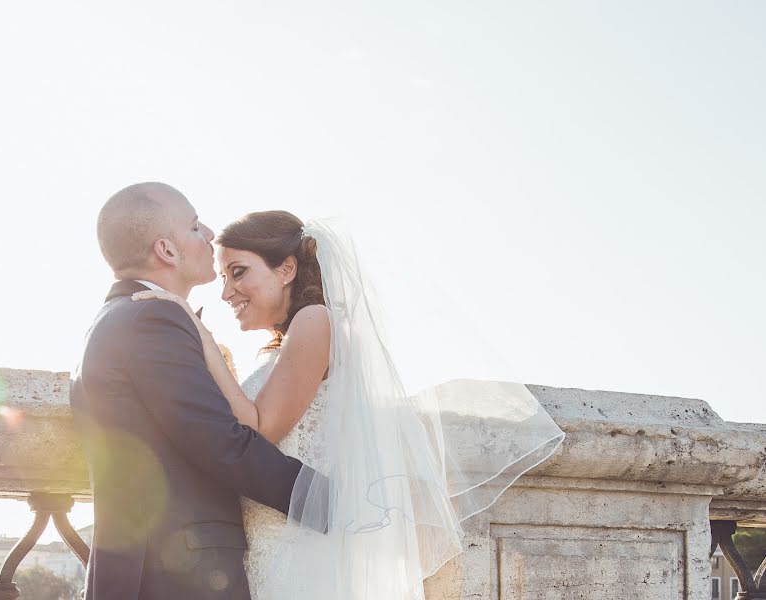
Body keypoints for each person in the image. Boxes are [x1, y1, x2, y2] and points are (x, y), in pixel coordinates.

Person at [133, 210, 565, 599]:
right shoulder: (292, 339)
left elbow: (258, 429)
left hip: (296, 550)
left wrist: (199, 334)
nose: (227, 291)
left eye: (238, 272)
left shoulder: (315, 320)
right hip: (272, 540)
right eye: (224, 277)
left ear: (286, 269)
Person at [70, 183, 323, 600]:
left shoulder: (119, 318)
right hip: (178, 574)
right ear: (167, 251)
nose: (208, 233)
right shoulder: (151, 318)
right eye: (194, 226)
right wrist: (334, 502)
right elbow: (222, 443)